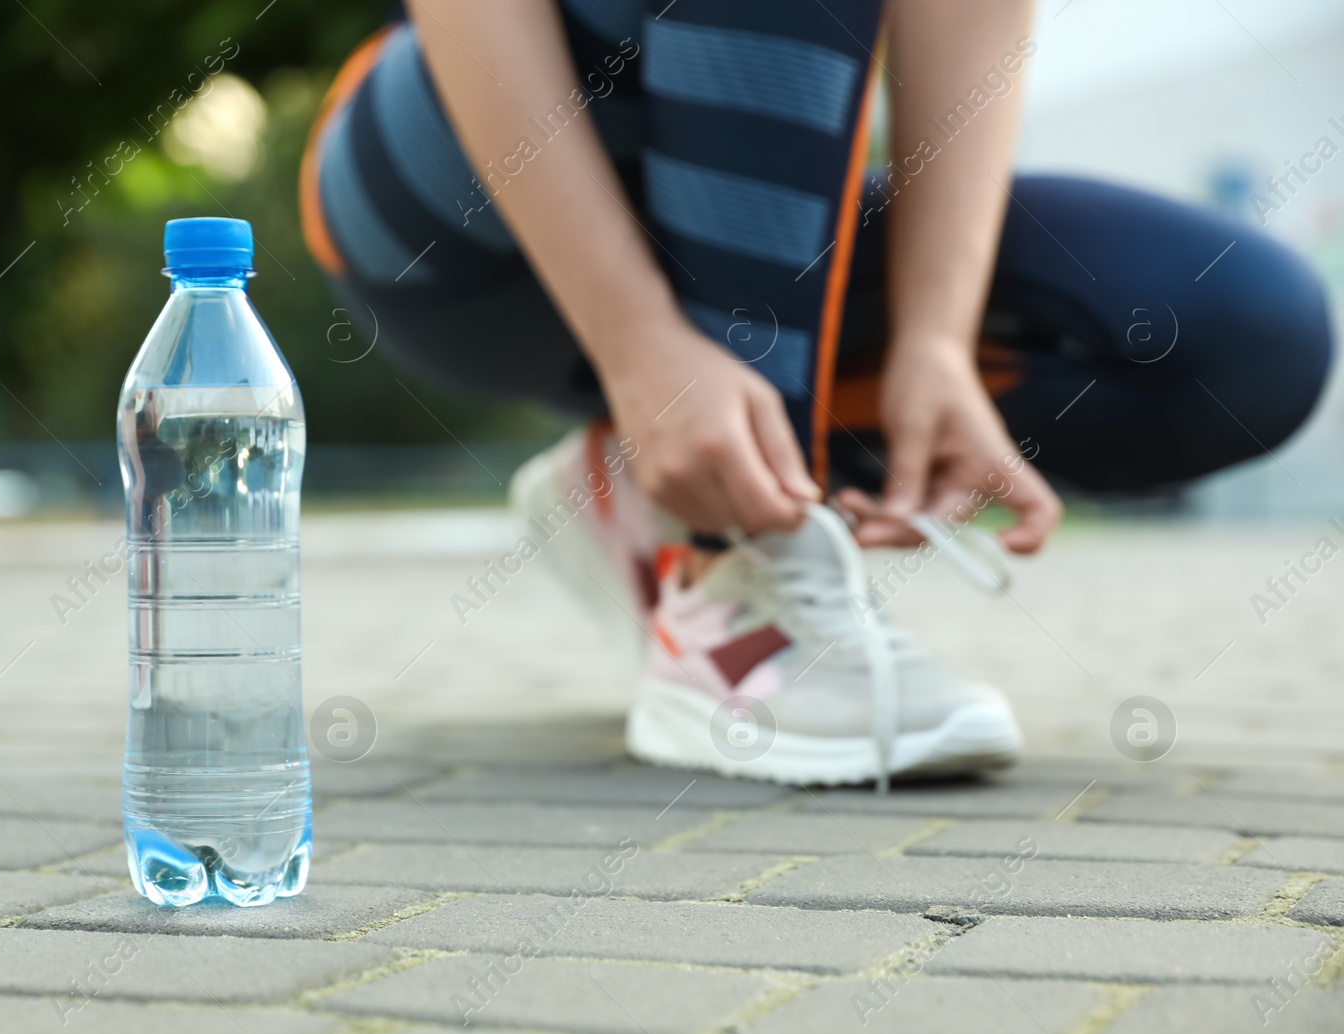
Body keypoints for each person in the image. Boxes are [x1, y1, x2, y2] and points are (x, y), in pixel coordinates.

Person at [298, 0, 1334, 788]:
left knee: (1243, 340)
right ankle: (728, 583)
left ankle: (639, 492)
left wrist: (935, 337)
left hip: (741, 189)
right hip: (456, 206)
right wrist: (636, 337)